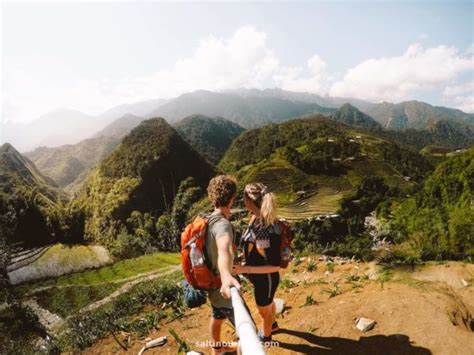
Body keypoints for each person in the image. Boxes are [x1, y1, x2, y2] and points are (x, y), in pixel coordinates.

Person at [233, 183, 281, 346]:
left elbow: (274, 265)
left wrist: (244, 269)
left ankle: (266, 336)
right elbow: (257, 249)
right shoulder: (255, 218)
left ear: (250, 200)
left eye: (244, 198)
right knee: (268, 303)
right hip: (262, 278)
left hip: (266, 278)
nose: (242, 201)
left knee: (263, 310)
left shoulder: (263, 227)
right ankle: (273, 325)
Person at [204, 175, 242, 355]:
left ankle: (216, 349)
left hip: (212, 288)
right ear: (232, 199)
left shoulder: (208, 220)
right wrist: (227, 276)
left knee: (217, 316)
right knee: (248, 331)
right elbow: (223, 247)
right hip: (224, 290)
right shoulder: (222, 225)